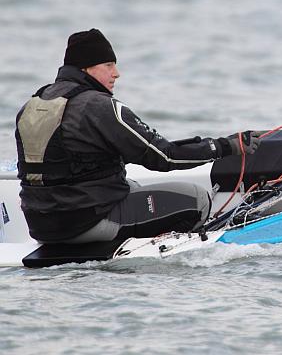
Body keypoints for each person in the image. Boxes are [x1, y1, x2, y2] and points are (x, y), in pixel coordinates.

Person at [15, 29, 260, 244]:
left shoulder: (32, 105)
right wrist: (227, 146)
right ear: (86, 69)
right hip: (86, 222)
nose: (117, 73)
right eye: (109, 65)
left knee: (132, 187)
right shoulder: (100, 107)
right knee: (198, 200)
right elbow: (166, 157)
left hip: (41, 226)